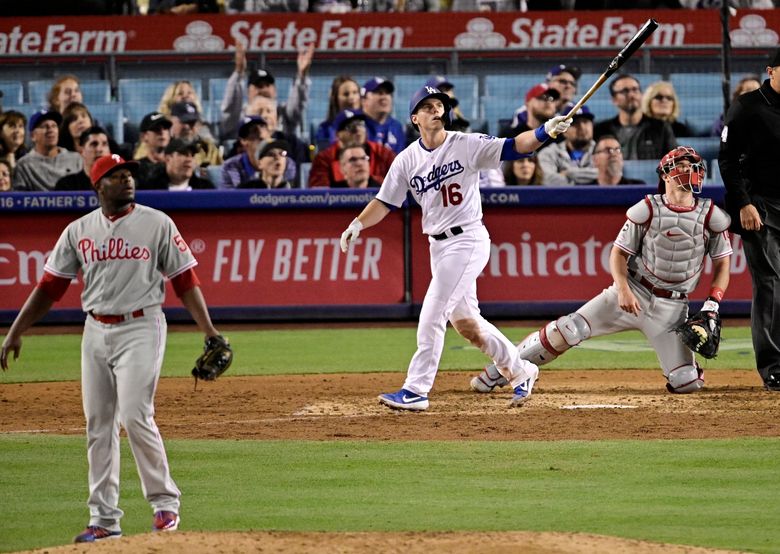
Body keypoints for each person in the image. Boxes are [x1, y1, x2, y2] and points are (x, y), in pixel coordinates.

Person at [1, 153, 225, 543]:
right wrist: (15, 331)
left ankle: (165, 504)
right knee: (99, 424)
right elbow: (50, 287)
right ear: (97, 186)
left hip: (142, 325)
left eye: (129, 175)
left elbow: (185, 280)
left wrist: (209, 331)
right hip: (95, 330)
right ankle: (104, 519)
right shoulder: (79, 230)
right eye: (116, 176)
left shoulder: (157, 222)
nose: (126, 180)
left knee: (136, 414)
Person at [339, 85, 571, 411]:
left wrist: (545, 131)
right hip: (438, 245)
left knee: (434, 311)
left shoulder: (466, 143)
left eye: (440, 104)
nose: (437, 109)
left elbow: (515, 146)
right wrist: (358, 223)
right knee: (467, 324)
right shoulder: (407, 159)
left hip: (468, 239)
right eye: (429, 105)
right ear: (415, 117)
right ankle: (521, 369)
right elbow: (384, 201)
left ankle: (416, 390)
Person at [471, 145, 732, 397]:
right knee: (569, 329)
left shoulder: (711, 215)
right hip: (634, 290)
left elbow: (722, 263)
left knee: (686, 383)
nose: (689, 170)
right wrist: (622, 288)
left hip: (672, 306)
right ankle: (499, 369)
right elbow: (618, 253)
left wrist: (713, 303)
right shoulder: (648, 209)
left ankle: (688, 368)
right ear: (665, 174)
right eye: (682, 166)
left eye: (693, 166)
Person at [718, 48, 780, 391]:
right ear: (770, 70)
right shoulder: (747, 106)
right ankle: (773, 368)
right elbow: (727, 160)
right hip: (761, 207)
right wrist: (743, 203)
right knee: (770, 283)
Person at [219, 39, 313, 141]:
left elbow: (297, 105)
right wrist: (239, 72)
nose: (263, 89)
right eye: (258, 85)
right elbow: (229, 109)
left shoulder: (283, 113)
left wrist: (302, 76)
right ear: (248, 91)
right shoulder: (239, 115)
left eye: (267, 85)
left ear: (275, 91)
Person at [593, 74, 677, 160]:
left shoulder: (661, 128)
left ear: (641, 94)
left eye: (635, 90)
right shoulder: (601, 130)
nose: (631, 95)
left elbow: (674, 161)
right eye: (625, 91)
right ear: (614, 99)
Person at [309, 109, 395, 188]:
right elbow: (320, 194)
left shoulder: (383, 153)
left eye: (361, 124)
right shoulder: (324, 158)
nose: (357, 130)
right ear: (338, 135)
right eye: (351, 127)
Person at [13, 109, 83, 191]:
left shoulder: (76, 159)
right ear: (33, 136)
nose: (50, 130)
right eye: (44, 126)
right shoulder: (23, 165)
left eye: (54, 126)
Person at [537, 105, 598, 185]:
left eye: (585, 122)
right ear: (564, 130)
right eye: (575, 123)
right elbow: (548, 181)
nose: (582, 127)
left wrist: (567, 173)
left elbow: (608, 175)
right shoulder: (549, 153)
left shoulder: (603, 150)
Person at [141, 138, 215, 190]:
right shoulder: (150, 187)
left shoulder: (206, 188)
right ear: (168, 158)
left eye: (192, 155)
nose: (189, 159)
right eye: (183, 153)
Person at [221, 115, 272, 188]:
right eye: (254, 131)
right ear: (244, 140)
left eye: (262, 127)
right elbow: (231, 196)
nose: (261, 134)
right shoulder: (231, 166)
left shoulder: (283, 161)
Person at [55, 126, 111, 191]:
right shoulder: (66, 185)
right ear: (81, 150)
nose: (99, 149)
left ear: (109, 152)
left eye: (104, 144)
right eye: (94, 144)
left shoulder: (118, 185)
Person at [314, 76, 361, 152]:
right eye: (346, 94)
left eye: (355, 92)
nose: (352, 97)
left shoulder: (369, 125)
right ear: (335, 99)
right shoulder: (324, 129)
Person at [360, 77, 406, 155]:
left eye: (387, 93)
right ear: (364, 100)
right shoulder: (356, 124)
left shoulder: (396, 126)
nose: (384, 97)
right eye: (379, 92)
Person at [169, 101, 222, 168]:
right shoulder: (163, 148)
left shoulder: (208, 149)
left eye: (192, 123)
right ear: (171, 122)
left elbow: (220, 174)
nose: (187, 127)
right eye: (183, 122)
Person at [133, 111, 173, 185]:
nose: (162, 132)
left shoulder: (175, 165)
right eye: (156, 129)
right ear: (143, 136)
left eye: (165, 128)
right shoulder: (136, 168)